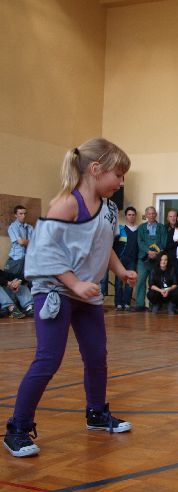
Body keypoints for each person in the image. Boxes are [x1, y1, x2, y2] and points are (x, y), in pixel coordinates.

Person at [3, 138, 137, 457]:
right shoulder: (65, 204)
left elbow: (104, 247)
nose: (121, 183)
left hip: (84, 293)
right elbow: (43, 252)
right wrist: (74, 283)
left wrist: (120, 271)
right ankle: (17, 428)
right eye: (118, 175)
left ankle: (96, 413)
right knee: (48, 359)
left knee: (97, 356)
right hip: (55, 291)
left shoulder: (109, 207)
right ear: (96, 169)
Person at [134, 206, 167, 310]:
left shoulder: (162, 227)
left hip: (157, 260)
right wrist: (148, 251)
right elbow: (140, 242)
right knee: (140, 281)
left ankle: (154, 305)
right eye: (149, 213)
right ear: (146, 215)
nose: (151, 215)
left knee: (155, 282)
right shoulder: (141, 227)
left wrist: (156, 252)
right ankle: (140, 304)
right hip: (143, 259)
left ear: (156, 214)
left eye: (153, 213)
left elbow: (164, 242)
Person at [5, 205, 34, 277]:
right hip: (16, 259)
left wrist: (28, 242)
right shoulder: (13, 227)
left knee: (25, 281)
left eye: (25, 213)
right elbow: (21, 242)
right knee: (13, 279)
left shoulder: (30, 227)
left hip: (28, 260)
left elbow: (35, 243)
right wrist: (30, 242)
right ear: (15, 215)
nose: (23, 216)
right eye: (21, 213)